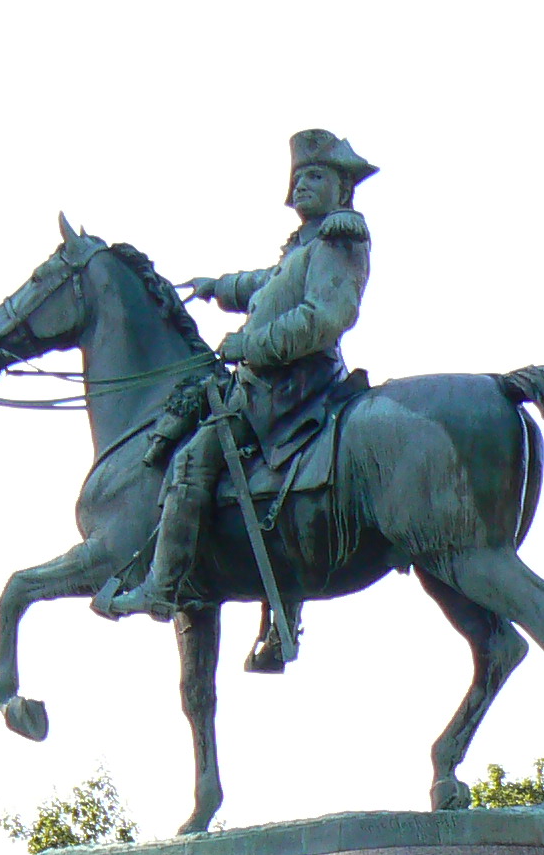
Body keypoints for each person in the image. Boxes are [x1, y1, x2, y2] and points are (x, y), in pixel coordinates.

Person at [97, 129, 377, 625]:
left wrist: (248, 345)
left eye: (317, 175)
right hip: (275, 381)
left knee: (191, 464)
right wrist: (217, 287)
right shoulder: (304, 246)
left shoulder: (340, 237)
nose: (305, 185)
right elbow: (268, 286)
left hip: (291, 386)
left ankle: (162, 588)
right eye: (299, 177)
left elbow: (323, 317)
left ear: (343, 188)